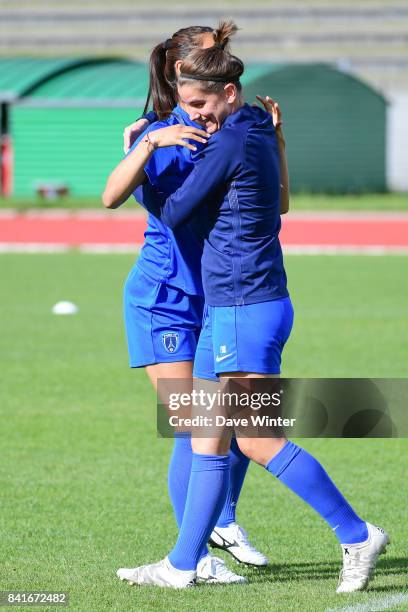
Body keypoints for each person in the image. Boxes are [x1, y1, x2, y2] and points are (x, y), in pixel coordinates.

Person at [109, 44, 389, 592]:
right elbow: (278, 199)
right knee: (206, 435)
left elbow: (170, 211)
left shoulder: (229, 140)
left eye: (201, 104)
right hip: (240, 305)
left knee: (256, 439)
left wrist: (142, 148)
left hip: (242, 306)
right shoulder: (258, 123)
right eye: (186, 105)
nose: (195, 116)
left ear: (228, 93)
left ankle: (355, 534)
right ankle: (183, 564)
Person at [103, 22, 282, 585]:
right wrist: (147, 142)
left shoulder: (230, 126)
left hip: (218, 297)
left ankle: (216, 526)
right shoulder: (167, 130)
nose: (225, 65)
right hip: (165, 296)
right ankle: (198, 552)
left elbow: (274, 207)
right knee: (196, 424)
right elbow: (112, 195)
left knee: (234, 422)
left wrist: (274, 140)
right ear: (185, 72)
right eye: (213, 58)